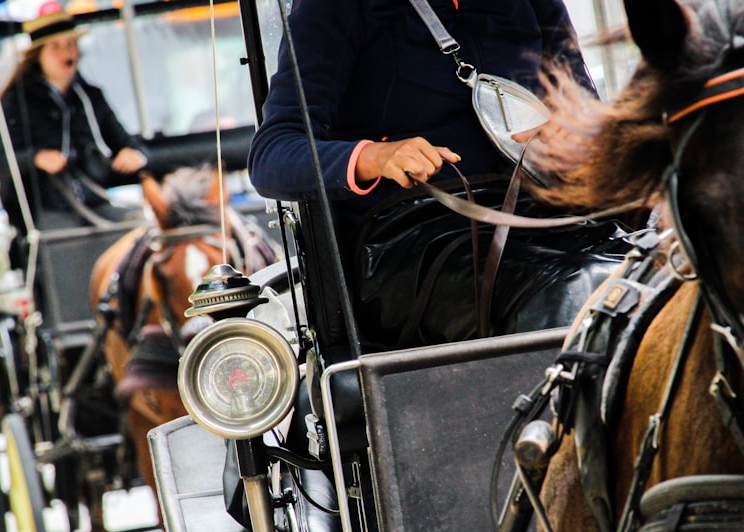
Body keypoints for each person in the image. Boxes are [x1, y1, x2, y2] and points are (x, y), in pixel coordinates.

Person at [248, 0, 625, 349]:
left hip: (550, 218)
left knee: (647, 277)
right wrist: (374, 157)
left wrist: (577, 132)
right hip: (415, 240)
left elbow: (587, 115)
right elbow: (272, 153)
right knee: (576, 290)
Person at [0, 10, 149, 233]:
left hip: (95, 202)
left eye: (70, 44)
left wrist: (133, 154)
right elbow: (5, 163)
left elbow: (126, 142)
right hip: (47, 211)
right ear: (38, 55)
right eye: (55, 47)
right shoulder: (17, 102)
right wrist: (37, 158)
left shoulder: (91, 97)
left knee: (141, 229)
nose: (66, 53)